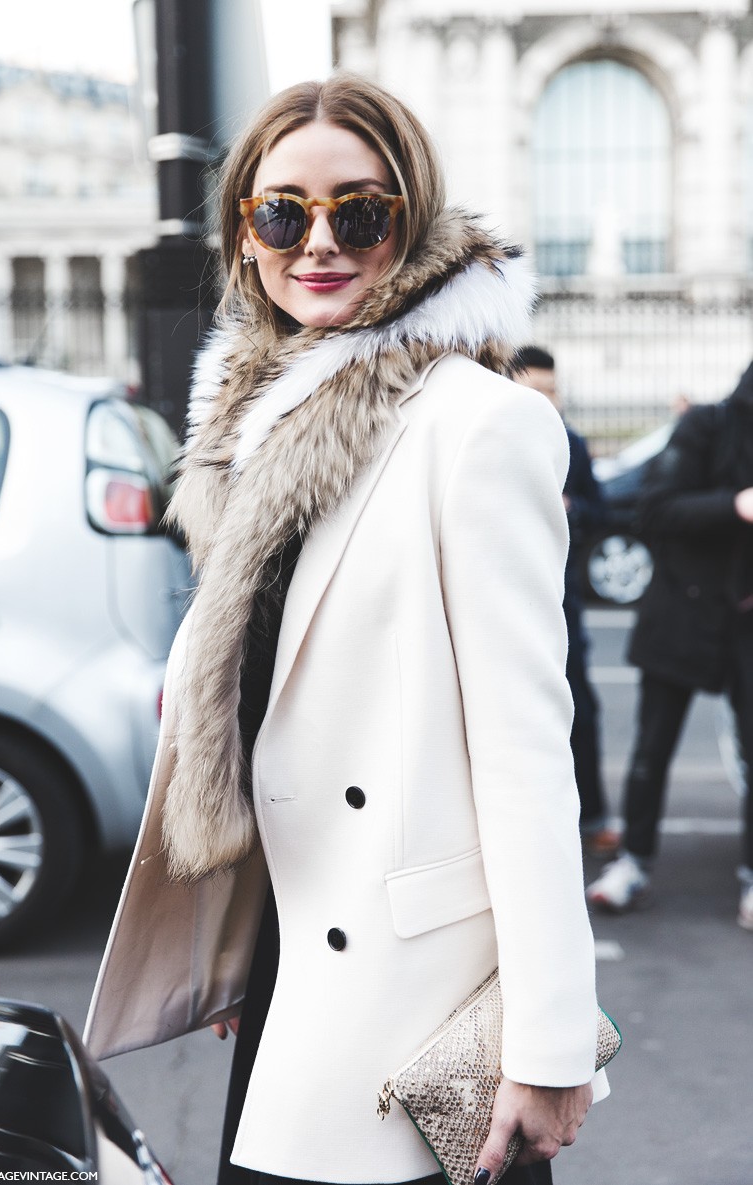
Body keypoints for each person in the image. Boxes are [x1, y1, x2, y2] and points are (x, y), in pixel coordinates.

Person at [84, 74, 608, 1185]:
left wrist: (550, 1042)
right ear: (245, 231)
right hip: (296, 953)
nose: (317, 243)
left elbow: (524, 752)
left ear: (408, 221)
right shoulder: (252, 433)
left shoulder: (478, 430)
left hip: (412, 993)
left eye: (358, 212)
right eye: (284, 212)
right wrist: (243, 936)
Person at [586, 360, 753, 929]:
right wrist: (735, 504)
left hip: (745, 622)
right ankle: (633, 862)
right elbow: (656, 508)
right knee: (652, 749)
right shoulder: (709, 426)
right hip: (682, 614)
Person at [513, 346, 618, 857]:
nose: (548, 401)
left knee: (579, 707)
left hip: (562, 600)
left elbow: (602, 510)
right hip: (507, 603)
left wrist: (570, 508)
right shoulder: (493, 436)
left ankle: (592, 815)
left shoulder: (570, 441)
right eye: (537, 391)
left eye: (554, 391)